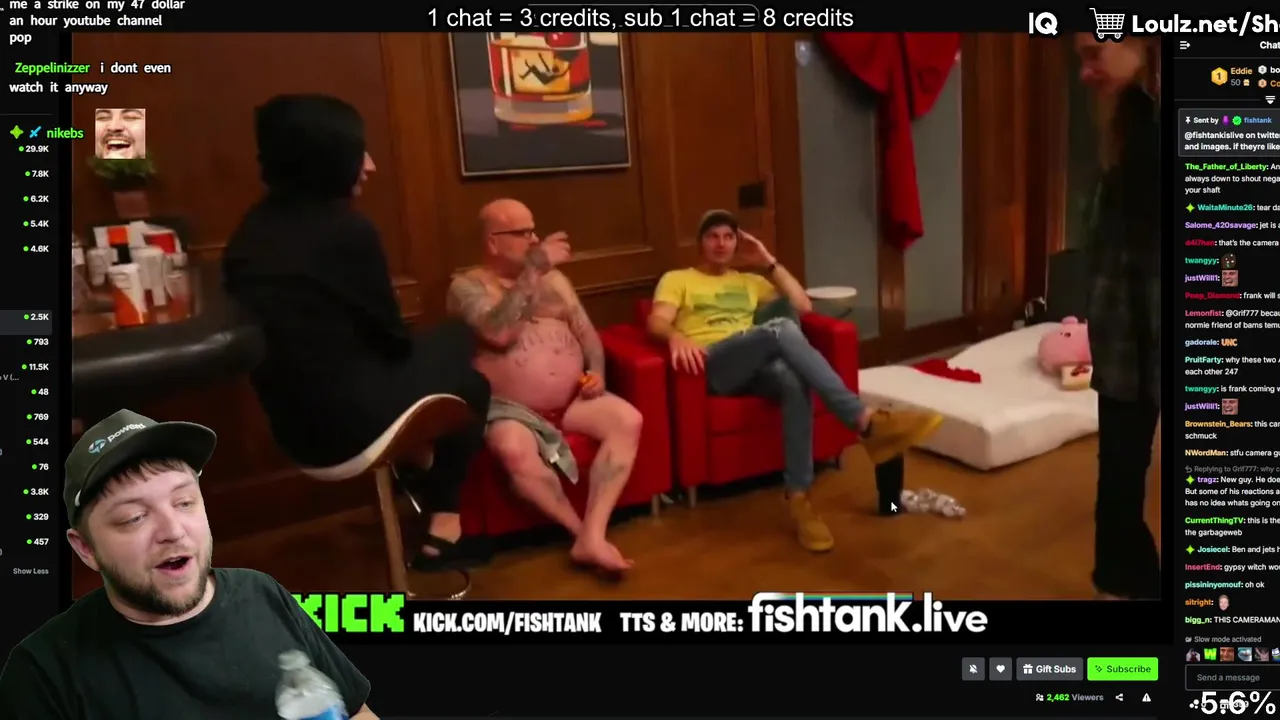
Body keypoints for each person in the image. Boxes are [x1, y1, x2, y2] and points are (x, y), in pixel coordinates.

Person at [223, 94, 490, 571]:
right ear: (326, 155)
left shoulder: (250, 231)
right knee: (465, 357)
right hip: (348, 429)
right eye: (359, 151)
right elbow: (393, 340)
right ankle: (445, 519)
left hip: (294, 430)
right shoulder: (347, 231)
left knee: (445, 351)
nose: (370, 165)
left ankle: (418, 462)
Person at [0, 410, 376, 718]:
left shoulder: (262, 593)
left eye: (184, 502)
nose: (173, 531)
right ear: (86, 549)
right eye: (134, 517)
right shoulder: (42, 673)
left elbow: (357, 712)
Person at [647, 210, 943, 552]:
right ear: (700, 242)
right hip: (714, 363)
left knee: (792, 378)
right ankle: (864, 420)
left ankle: (799, 497)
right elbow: (656, 320)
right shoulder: (679, 279)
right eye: (713, 236)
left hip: (755, 363)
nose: (721, 243)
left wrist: (767, 261)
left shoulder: (749, 282)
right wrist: (675, 337)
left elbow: (802, 305)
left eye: (728, 237)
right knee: (781, 329)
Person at [447, 198, 642, 573]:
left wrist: (597, 372)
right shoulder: (466, 286)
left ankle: (593, 534)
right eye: (523, 233)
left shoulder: (557, 281)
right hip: (511, 410)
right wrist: (532, 272)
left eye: (534, 231)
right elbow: (499, 333)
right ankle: (581, 534)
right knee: (512, 449)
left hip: (574, 399)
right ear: (493, 242)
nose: (535, 240)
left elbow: (588, 336)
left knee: (628, 420)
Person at [1074, 35, 1161, 600]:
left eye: (1094, 54)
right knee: (1121, 473)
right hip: (1126, 343)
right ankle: (1119, 581)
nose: (1085, 74)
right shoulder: (1129, 128)